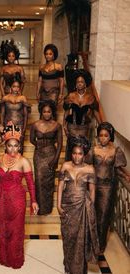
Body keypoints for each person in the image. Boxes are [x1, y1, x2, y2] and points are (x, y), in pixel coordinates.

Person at [0, 122, 39, 269]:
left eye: (16, 145)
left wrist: (33, 201)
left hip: (17, 200)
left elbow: (31, 184)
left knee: (16, 230)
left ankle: (15, 260)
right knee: (3, 229)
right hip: (0, 200)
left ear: (19, 146)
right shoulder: (0, 159)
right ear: (5, 146)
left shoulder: (24, 161)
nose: (13, 148)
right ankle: (5, 258)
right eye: (10, 145)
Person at [57, 136, 99, 274]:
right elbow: (60, 186)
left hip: (82, 207)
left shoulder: (90, 169)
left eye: (80, 153)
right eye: (74, 153)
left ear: (84, 154)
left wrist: (90, 208)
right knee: (68, 237)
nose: (76, 156)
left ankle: (79, 268)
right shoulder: (65, 166)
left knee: (80, 238)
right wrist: (58, 205)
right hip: (67, 206)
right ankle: (68, 265)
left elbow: (92, 190)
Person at [85, 122, 129, 253]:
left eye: (106, 135)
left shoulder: (116, 151)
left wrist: (126, 176)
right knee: (91, 213)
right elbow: (86, 167)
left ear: (110, 136)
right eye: (101, 135)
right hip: (93, 185)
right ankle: (90, 242)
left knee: (103, 216)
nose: (103, 138)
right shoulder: (93, 150)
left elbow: (118, 168)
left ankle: (100, 245)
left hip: (108, 188)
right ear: (98, 136)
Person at [30, 100, 62, 215]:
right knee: (38, 180)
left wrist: (55, 159)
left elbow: (60, 144)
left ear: (52, 112)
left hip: (51, 155)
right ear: (41, 112)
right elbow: (32, 139)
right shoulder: (35, 124)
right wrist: (39, 145)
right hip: (38, 156)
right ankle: (39, 208)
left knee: (49, 182)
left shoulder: (57, 125)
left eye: (49, 111)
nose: (47, 114)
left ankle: (47, 208)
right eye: (44, 111)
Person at [63, 69, 101, 160]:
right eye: (78, 82)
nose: (80, 83)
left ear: (85, 84)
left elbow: (95, 112)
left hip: (84, 128)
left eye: (82, 82)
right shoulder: (71, 96)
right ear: (75, 84)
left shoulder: (90, 97)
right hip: (72, 126)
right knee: (72, 148)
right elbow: (67, 111)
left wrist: (101, 125)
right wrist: (64, 125)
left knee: (82, 148)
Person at [0, 75, 28, 154]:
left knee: (19, 147)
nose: (16, 89)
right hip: (8, 125)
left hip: (20, 125)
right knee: (8, 146)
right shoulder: (5, 98)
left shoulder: (23, 98)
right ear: (10, 87)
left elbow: (26, 115)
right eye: (14, 86)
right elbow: (2, 114)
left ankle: (19, 166)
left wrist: (24, 128)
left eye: (18, 87)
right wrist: (1, 125)